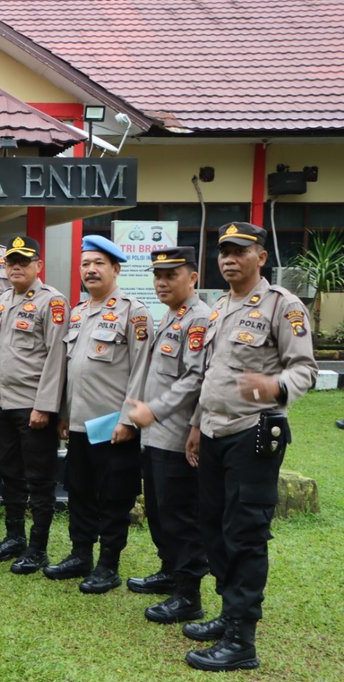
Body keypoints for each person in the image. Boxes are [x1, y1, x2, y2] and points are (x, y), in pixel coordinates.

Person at [182, 222, 317, 671]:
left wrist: (273, 387)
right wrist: (198, 425)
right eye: (223, 251)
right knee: (213, 526)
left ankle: (242, 641)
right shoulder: (218, 306)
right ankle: (226, 614)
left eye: (240, 251)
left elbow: (304, 371)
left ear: (261, 256)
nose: (229, 259)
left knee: (244, 533)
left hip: (254, 434)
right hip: (216, 433)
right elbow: (211, 376)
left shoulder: (283, 306)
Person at [45, 235, 151, 594]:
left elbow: (142, 371)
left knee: (113, 496)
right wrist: (62, 413)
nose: (90, 270)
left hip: (111, 426)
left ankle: (108, 564)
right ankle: (80, 554)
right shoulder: (77, 312)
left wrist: (128, 419)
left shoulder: (133, 312)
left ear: (116, 269)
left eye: (99, 264)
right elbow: (70, 369)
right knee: (80, 492)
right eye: (85, 264)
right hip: (78, 423)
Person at [124, 247, 211, 623]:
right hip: (155, 434)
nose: (161, 282)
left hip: (177, 437)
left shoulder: (200, 319)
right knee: (160, 511)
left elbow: (195, 379)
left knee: (180, 515)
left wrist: (153, 411)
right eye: (157, 276)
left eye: (171, 275)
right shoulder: (172, 316)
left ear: (192, 277)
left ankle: (188, 594)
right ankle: (169, 571)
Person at [0, 236, 67, 574]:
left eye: (24, 261)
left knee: (39, 480)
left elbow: (57, 357)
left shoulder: (52, 302)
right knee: (10, 474)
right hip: (3, 403)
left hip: (33, 407)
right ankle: (14, 537)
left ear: (38, 266)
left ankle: (38, 548)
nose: (16, 267)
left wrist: (46, 407)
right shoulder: (4, 298)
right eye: (11, 262)